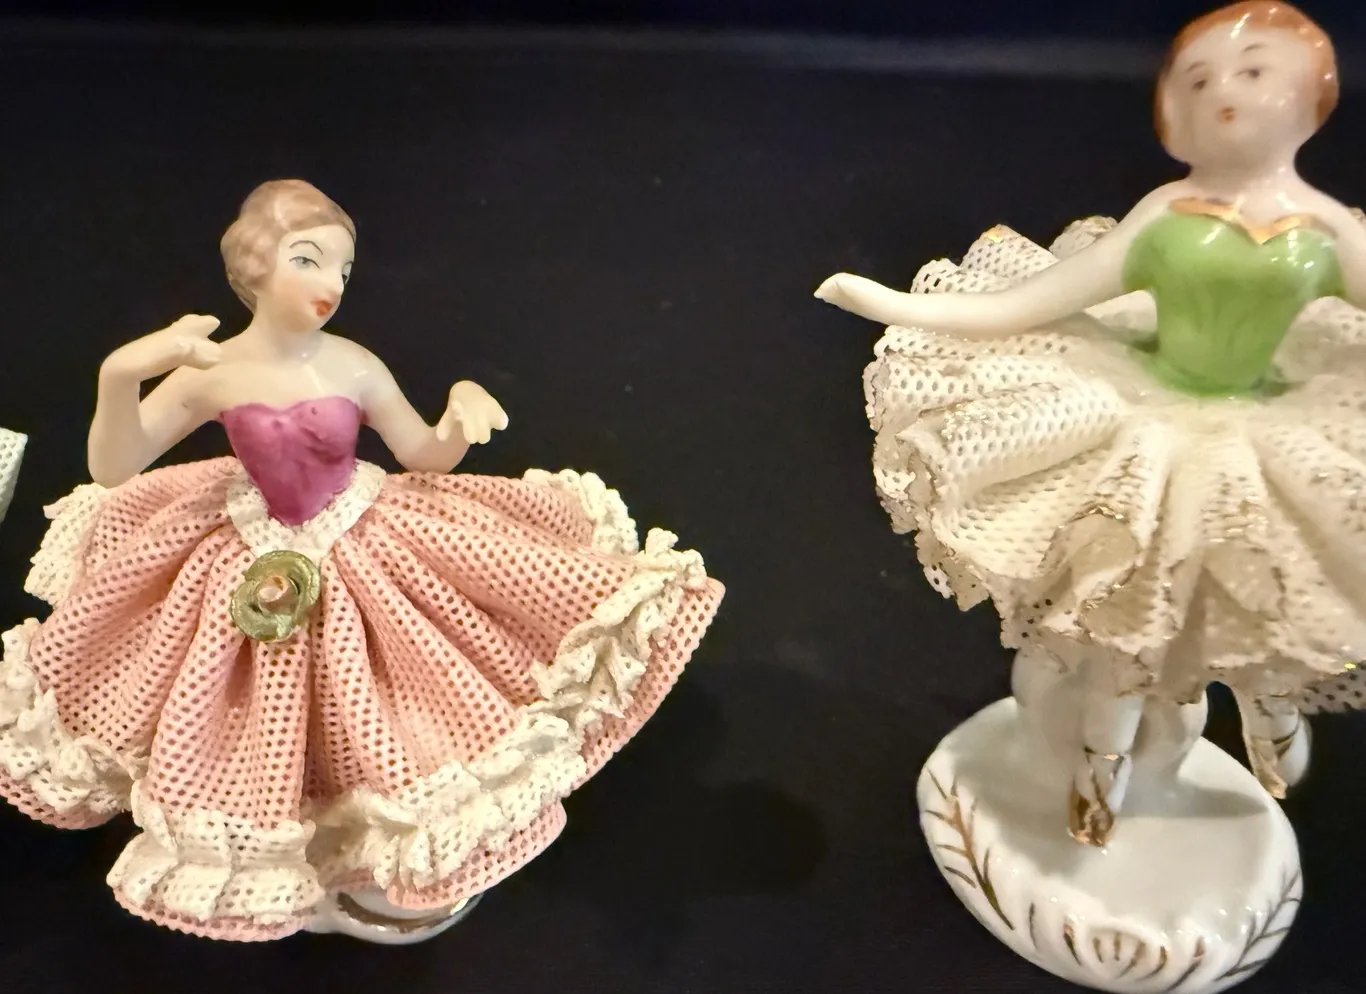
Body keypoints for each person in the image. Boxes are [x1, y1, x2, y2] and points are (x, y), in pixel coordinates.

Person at [0, 178, 725, 939]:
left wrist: (458, 414)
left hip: (363, 529)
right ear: (254, 267)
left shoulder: (352, 365)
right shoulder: (212, 371)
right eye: (307, 260)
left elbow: (421, 452)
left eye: (343, 269)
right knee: (246, 697)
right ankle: (303, 840)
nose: (331, 286)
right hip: (245, 539)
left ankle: (388, 846)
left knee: (397, 686)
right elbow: (114, 468)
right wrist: (120, 374)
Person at [817, 1, 1362, 846]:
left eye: (1255, 70)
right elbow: (1031, 303)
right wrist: (898, 305)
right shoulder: (1168, 218)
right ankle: (1099, 770)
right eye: (1199, 78)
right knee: (1123, 613)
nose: (1225, 91)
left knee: (1267, 588)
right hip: (1143, 420)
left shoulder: (1325, 233)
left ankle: (1273, 709)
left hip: (1266, 436)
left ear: (1313, 97)